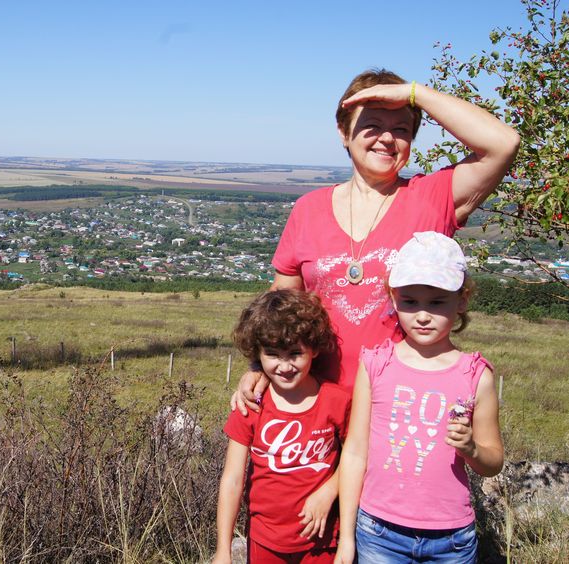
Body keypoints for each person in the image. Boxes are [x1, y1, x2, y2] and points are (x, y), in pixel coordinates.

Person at [232, 68, 519, 412]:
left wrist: (416, 94)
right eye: (373, 126)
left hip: (401, 405)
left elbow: (503, 144)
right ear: (343, 132)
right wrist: (257, 368)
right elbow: (279, 309)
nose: (387, 138)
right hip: (315, 405)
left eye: (401, 129)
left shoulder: (432, 197)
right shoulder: (308, 209)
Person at [334, 231, 503, 563]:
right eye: (410, 301)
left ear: (462, 300)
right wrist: (346, 539)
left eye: (437, 302)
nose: (422, 315)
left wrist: (471, 449)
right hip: (379, 532)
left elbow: (493, 462)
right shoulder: (377, 364)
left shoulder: (476, 375)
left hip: (451, 539)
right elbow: (354, 454)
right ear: (394, 299)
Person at [214, 289, 351, 564]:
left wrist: (330, 489)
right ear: (257, 354)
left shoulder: (337, 401)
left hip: (321, 541)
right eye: (273, 354)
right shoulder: (250, 406)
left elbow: (358, 457)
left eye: (295, 353)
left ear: (313, 347)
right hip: (265, 541)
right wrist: (223, 550)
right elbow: (232, 480)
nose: (285, 366)